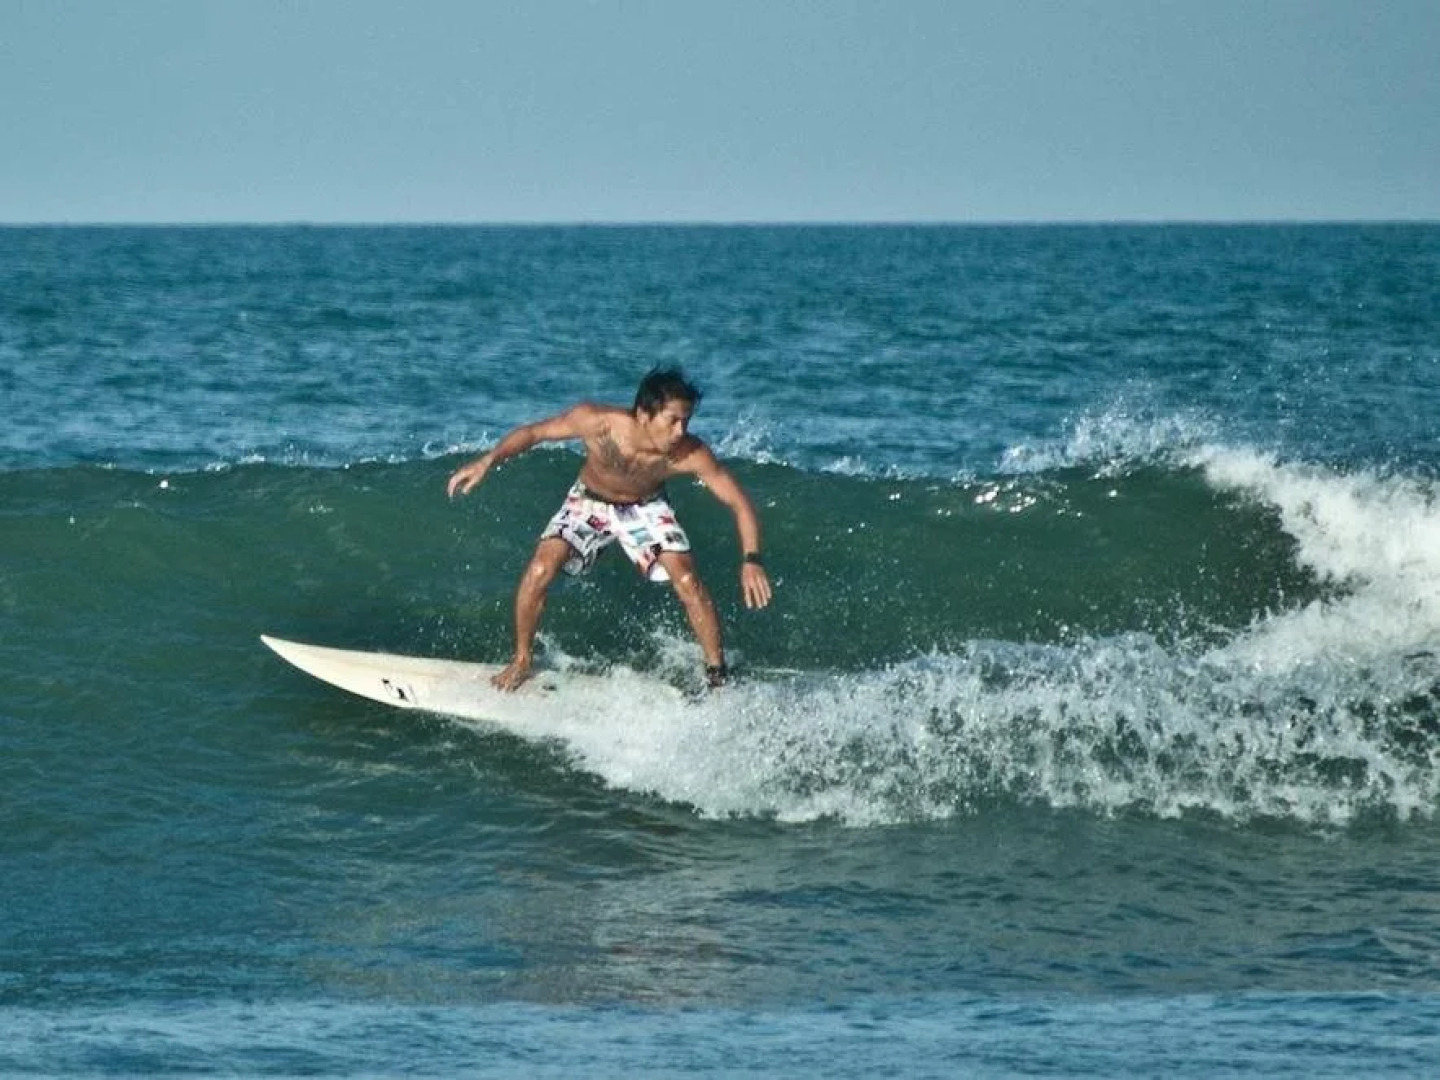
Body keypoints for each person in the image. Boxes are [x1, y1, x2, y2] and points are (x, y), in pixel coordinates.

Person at [446, 368, 773, 690]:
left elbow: (740, 503)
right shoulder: (597, 422)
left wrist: (752, 559)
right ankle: (521, 660)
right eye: (672, 420)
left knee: (687, 579)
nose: (680, 431)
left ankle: (717, 675)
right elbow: (534, 433)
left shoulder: (691, 453)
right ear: (644, 414)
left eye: (686, 421)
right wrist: (488, 460)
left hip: (646, 508)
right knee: (540, 568)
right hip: (588, 502)